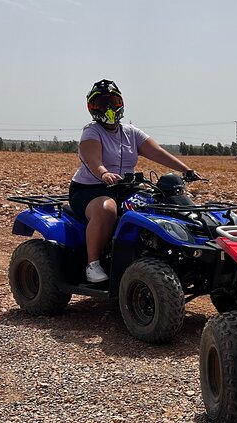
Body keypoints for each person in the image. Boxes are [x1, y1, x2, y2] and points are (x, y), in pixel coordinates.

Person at [69, 79, 198, 283]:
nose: (109, 108)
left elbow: (159, 152)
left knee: (160, 204)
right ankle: (92, 264)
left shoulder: (130, 132)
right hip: (90, 189)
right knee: (107, 210)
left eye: (113, 101)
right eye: (102, 103)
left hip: (124, 187)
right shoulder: (91, 131)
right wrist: (103, 173)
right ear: (92, 108)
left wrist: (186, 169)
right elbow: (92, 158)